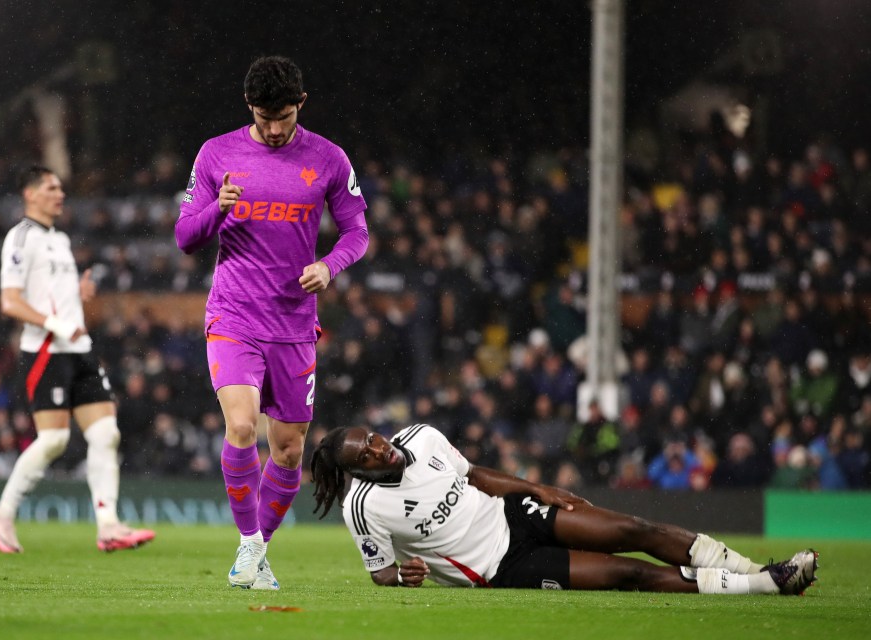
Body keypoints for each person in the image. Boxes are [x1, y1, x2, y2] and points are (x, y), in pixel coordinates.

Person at [174, 56, 368, 590]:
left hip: (294, 322)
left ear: (300, 104)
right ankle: (250, 547)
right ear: (249, 109)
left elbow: (357, 232)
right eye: (264, 118)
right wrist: (218, 208)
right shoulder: (217, 154)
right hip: (234, 313)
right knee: (242, 426)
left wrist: (329, 266)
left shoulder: (328, 158)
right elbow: (185, 236)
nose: (275, 129)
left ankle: (256, 553)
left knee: (288, 448)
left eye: (283, 117)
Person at [310, 424, 818, 595]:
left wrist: (539, 488)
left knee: (631, 527)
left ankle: (757, 568)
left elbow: (475, 476)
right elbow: (381, 574)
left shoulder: (421, 436)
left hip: (513, 513)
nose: (378, 448)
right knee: (628, 576)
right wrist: (405, 577)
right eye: (365, 455)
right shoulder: (362, 508)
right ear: (360, 471)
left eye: (372, 438)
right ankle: (767, 584)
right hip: (502, 567)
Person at [0, 165, 155, 554]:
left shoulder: (60, 239)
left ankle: (109, 525)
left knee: (105, 434)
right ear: (30, 194)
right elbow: (10, 302)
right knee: (54, 440)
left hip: (80, 349)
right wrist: (57, 325)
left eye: (61, 188)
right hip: (47, 350)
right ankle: (3, 513)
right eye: (51, 188)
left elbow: (52, 294)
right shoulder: (20, 237)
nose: (60, 194)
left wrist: (77, 293)